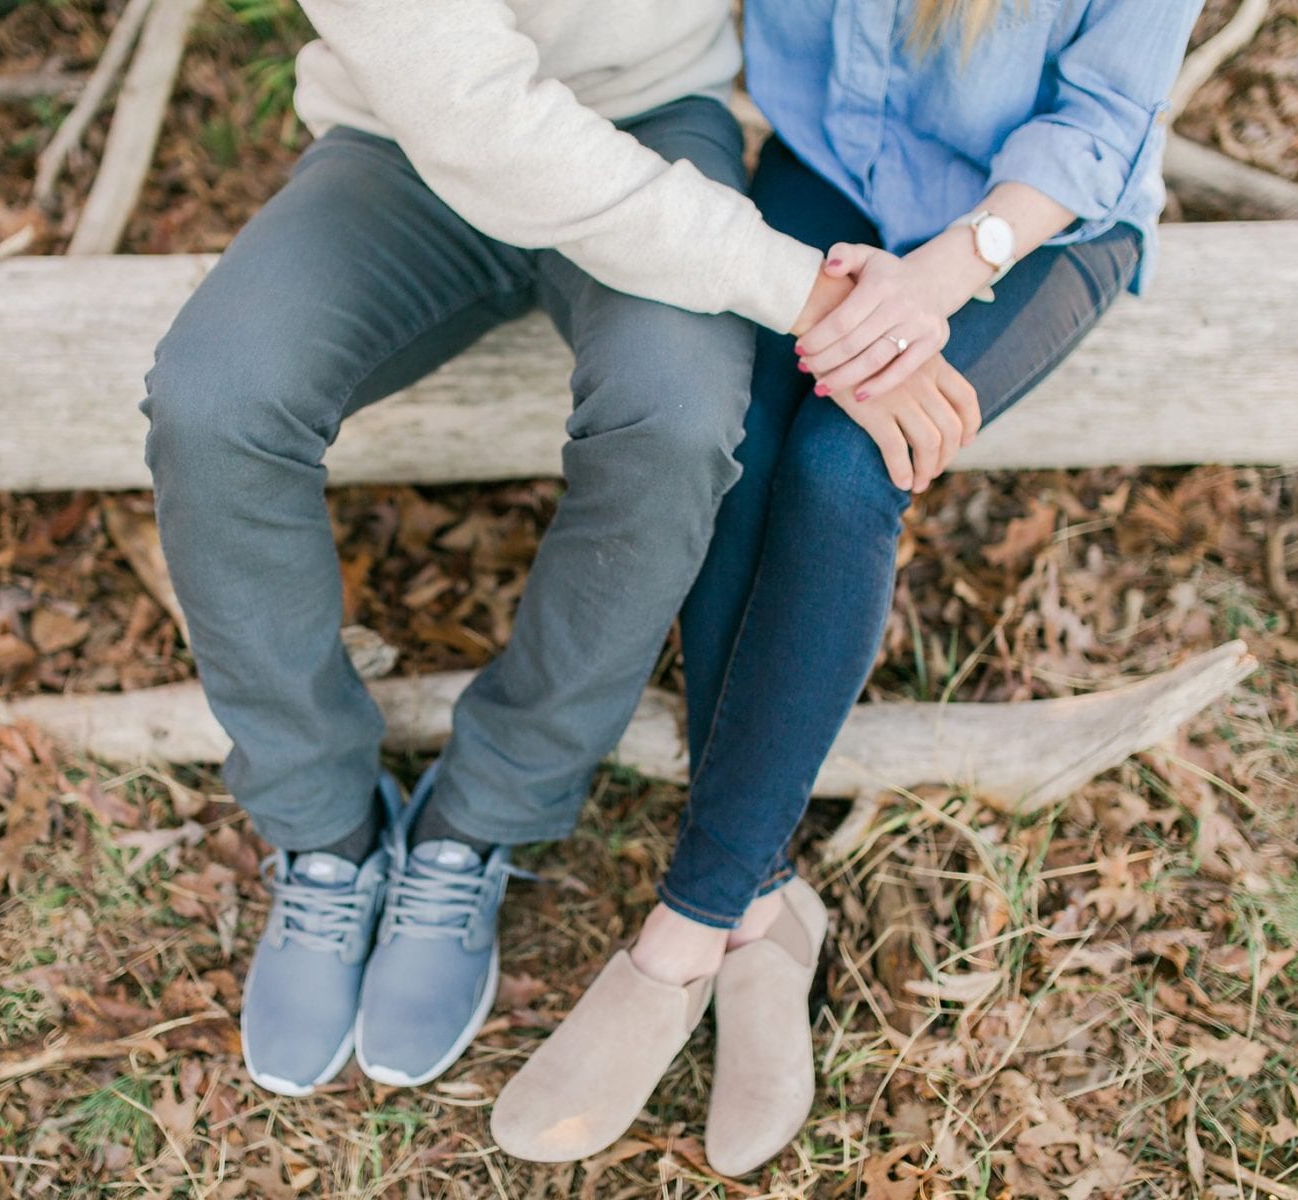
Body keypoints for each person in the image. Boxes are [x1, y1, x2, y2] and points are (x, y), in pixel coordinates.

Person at [139, 0, 973, 1098]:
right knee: (214, 406)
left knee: (674, 424)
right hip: (404, 138)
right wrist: (807, 293)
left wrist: (989, 231)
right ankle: (321, 829)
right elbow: (474, 115)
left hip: (655, 123)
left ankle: (484, 815)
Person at [491, 0, 1203, 1174]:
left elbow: (1105, 122)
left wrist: (936, 279)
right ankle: (767, 909)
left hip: (1029, 225)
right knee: (739, 442)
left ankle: (685, 935)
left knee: (844, 464)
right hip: (826, 168)